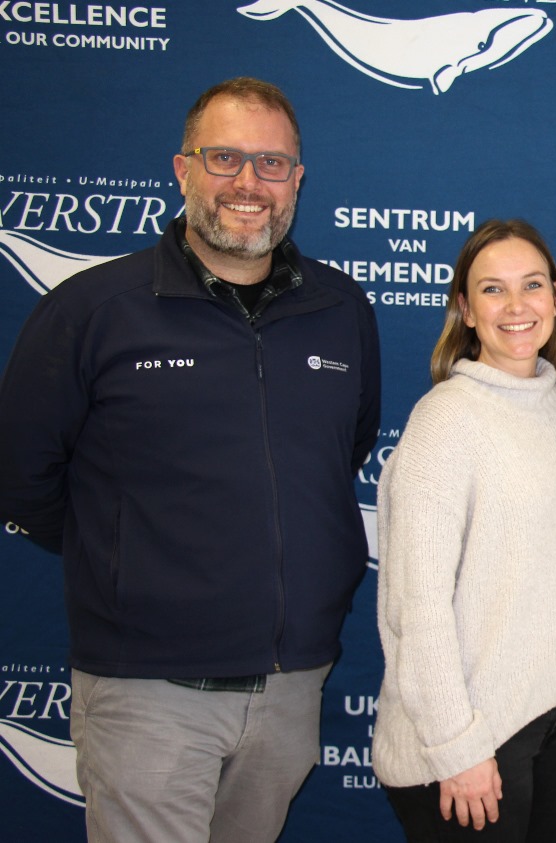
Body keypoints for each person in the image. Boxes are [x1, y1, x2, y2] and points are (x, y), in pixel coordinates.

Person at [0, 77, 380, 842]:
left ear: (298, 181)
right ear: (182, 170)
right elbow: (23, 475)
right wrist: (127, 556)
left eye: (272, 164)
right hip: (148, 692)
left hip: (289, 685)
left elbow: (344, 452)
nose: (249, 183)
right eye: (225, 157)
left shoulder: (342, 312)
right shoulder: (93, 310)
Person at [371, 218, 556, 842]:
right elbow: (419, 605)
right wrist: (454, 745)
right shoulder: (445, 422)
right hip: (474, 732)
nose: (517, 306)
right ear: (464, 308)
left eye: (533, 285)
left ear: (555, 299)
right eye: (493, 290)